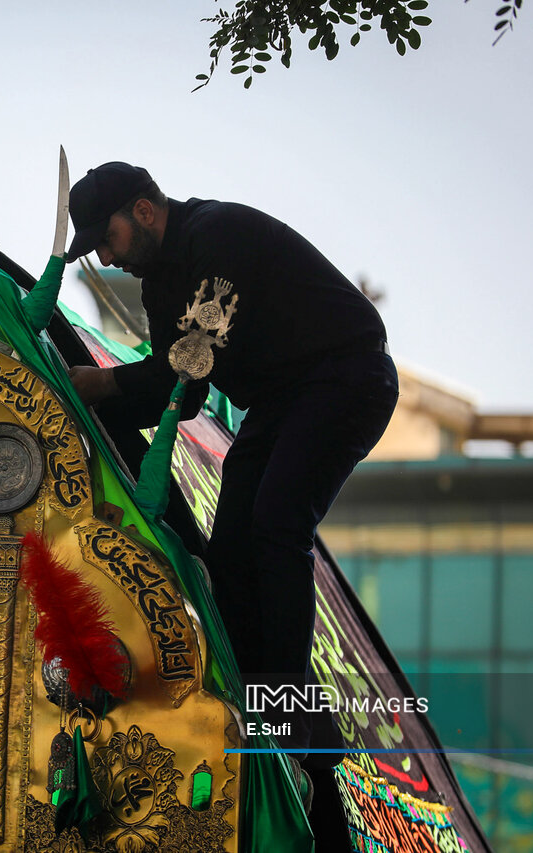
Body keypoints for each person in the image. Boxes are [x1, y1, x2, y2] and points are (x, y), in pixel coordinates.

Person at [65, 162, 398, 772]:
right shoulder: (160, 283)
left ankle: (289, 720)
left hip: (345, 377)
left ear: (144, 211)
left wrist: (102, 384)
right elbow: (184, 394)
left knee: (277, 522)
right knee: (231, 553)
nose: (107, 259)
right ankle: (290, 718)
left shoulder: (216, 236)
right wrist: (88, 399)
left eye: (107, 239)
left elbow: (191, 360)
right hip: (281, 401)